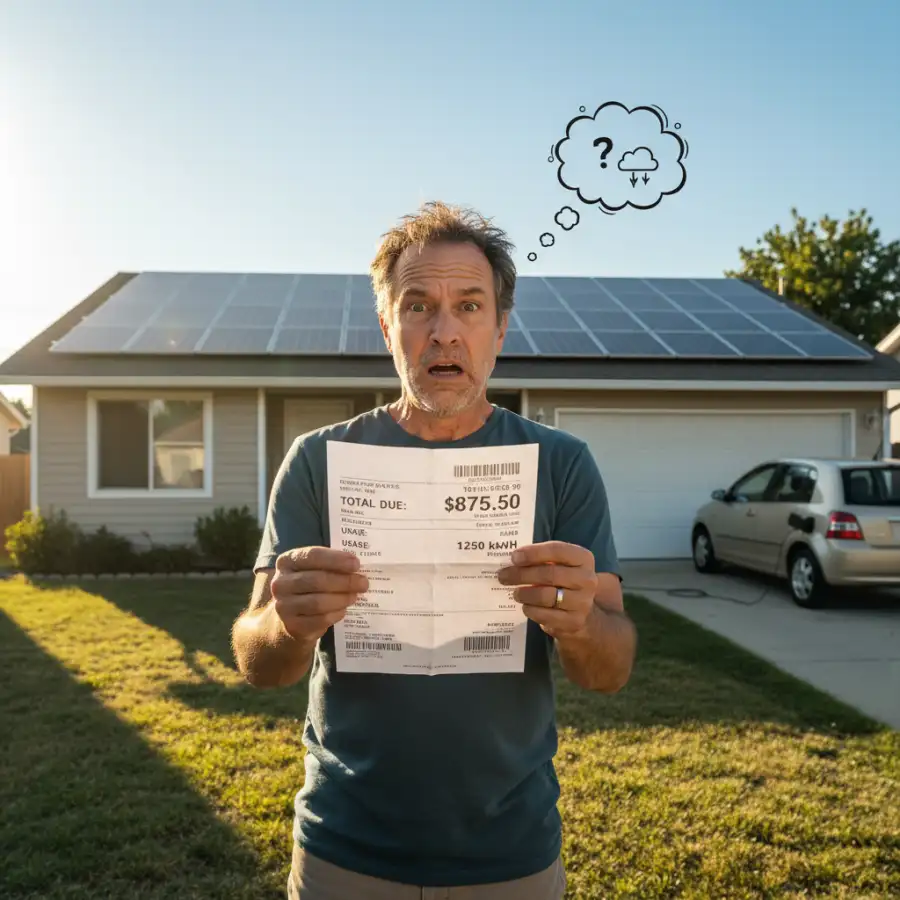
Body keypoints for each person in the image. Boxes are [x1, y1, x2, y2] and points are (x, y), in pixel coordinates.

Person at [231, 201, 638, 899]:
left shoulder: (561, 464)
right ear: (388, 324)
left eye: (469, 306)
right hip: (343, 847)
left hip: (510, 855)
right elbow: (258, 662)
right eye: (418, 306)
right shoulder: (318, 459)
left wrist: (580, 623)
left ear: (500, 328)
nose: (443, 332)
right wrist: (284, 622)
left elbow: (610, 670)